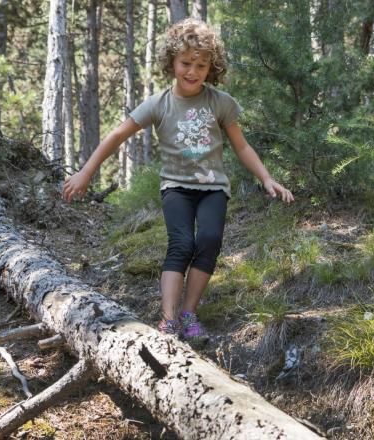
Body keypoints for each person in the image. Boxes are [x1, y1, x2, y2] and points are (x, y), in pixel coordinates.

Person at [63, 18, 294, 343]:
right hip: (176, 188)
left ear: (211, 68)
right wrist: (86, 172)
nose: (192, 71)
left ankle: (189, 313)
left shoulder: (220, 103)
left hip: (213, 188)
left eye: (201, 65)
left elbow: (241, 146)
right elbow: (117, 135)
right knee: (182, 244)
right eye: (186, 63)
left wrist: (267, 178)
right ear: (172, 62)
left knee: (210, 241)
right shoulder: (159, 103)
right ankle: (169, 320)